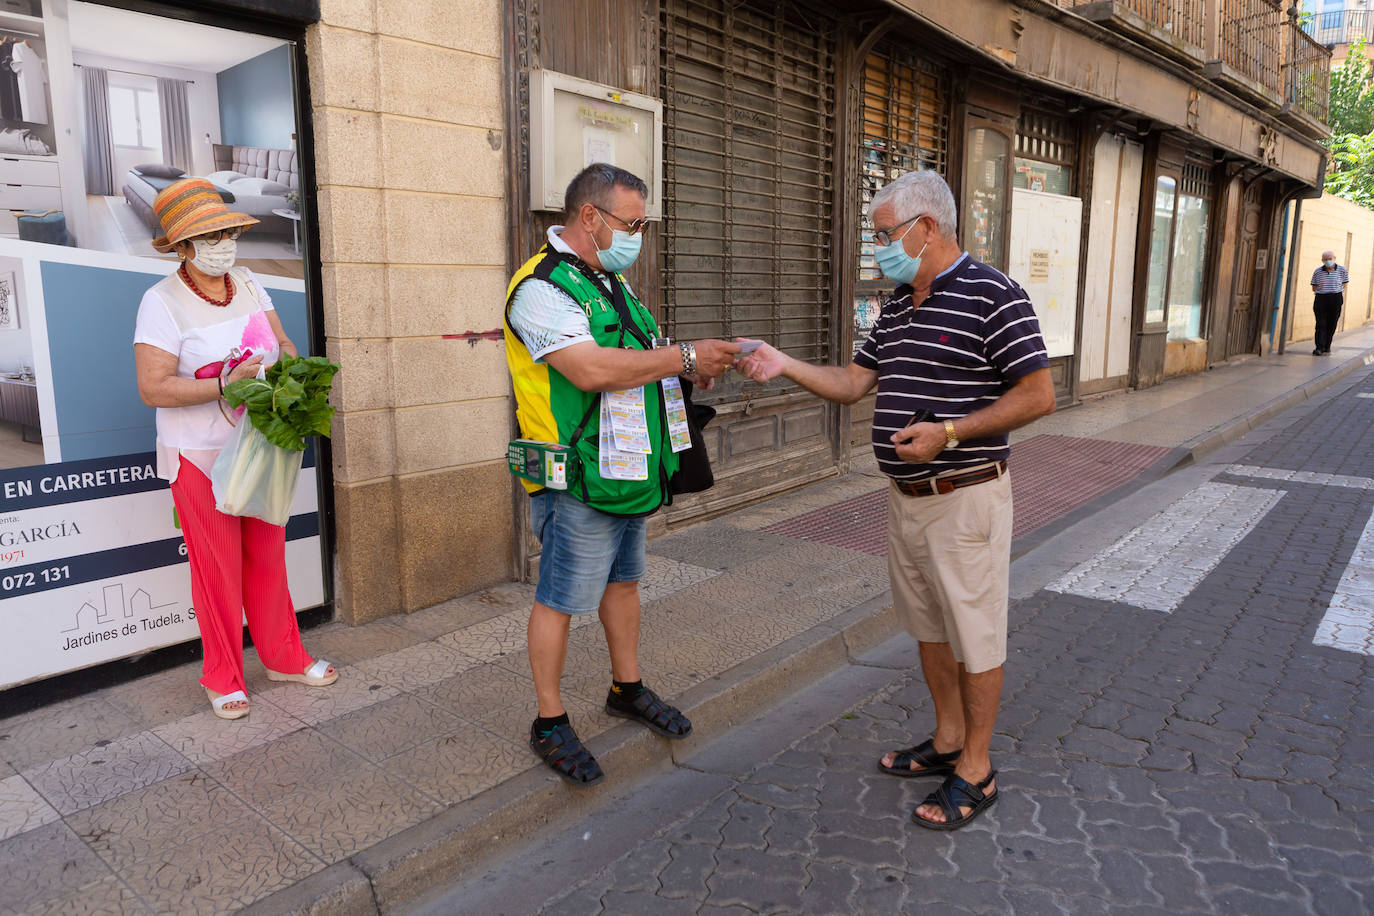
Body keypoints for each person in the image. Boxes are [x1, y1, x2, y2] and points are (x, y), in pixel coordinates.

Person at [737, 169, 1054, 829]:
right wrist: (784, 363)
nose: (878, 246)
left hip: (965, 499)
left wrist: (952, 432)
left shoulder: (993, 295)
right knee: (928, 627)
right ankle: (945, 741)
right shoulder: (901, 304)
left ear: (926, 228)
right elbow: (854, 384)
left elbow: (1037, 395)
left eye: (885, 234)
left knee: (976, 634)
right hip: (906, 500)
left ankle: (977, 767)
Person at [503, 163, 739, 786]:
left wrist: (685, 370)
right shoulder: (540, 289)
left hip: (628, 468)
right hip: (577, 476)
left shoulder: (613, 285)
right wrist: (685, 354)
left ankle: (625, 688)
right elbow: (589, 370)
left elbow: (637, 356)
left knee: (625, 584)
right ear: (590, 218)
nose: (638, 235)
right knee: (560, 598)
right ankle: (549, 721)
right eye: (631, 223)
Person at [133, 178, 337, 721]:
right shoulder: (161, 302)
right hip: (198, 457)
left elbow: (285, 345)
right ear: (181, 246)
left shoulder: (247, 282)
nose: (223, 242)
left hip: (258, 445)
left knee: (268, 557)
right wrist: (224, 384)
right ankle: (222, 675)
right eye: (209, 234)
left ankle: (284, 656)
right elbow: (153, 386)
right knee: (217, 569)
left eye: (227, 230)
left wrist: (274, 370)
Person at [1310, 250, 1349, 355]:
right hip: (1321, 298)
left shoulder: (1342, 270)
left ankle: (1327, 346)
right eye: (1326, 259)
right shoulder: (1317, 271)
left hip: (1335, 298)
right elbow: (1314, 287)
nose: (1328, 261)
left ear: (1334, 259)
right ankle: (1319, 347)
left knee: (1332, 324)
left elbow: (1344, 284)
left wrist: (1335, 290)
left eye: (1330, 259)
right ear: (1322, 260)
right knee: (1320, 324)